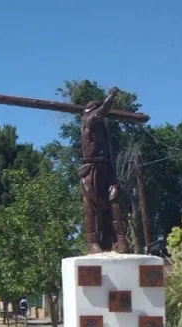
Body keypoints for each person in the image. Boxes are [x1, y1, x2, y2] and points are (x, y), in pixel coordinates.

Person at [80, 87, 127, 254]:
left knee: (113, 201)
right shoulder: (89, 119)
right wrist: (111, 95)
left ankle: (119, 239)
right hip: (91, 169)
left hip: (106, 167)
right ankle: (92, 242)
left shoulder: (100, 126)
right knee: (90, 206)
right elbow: (103, 110)